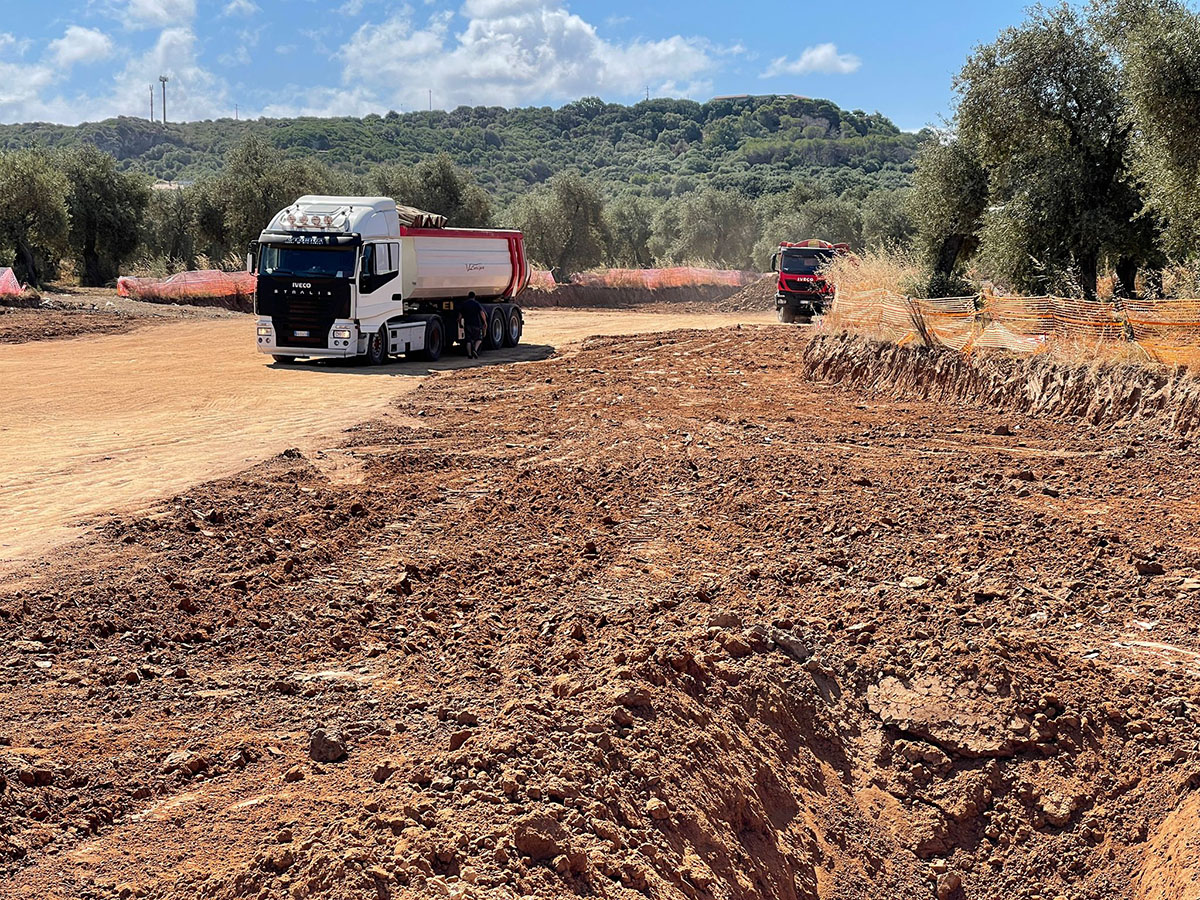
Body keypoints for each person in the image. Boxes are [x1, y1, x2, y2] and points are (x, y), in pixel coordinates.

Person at [460, 293, 487, 359]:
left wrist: (460, 322)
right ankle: (475, 350)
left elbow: (460, 315)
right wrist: (485, 322)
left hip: (467, 324)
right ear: (474, 297)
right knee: (479, 339)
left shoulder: (464, 304)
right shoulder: (476, 304)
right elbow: (482, 313)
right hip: (476, 324)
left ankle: (469, 354)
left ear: (468, 296)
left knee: (468, 340)